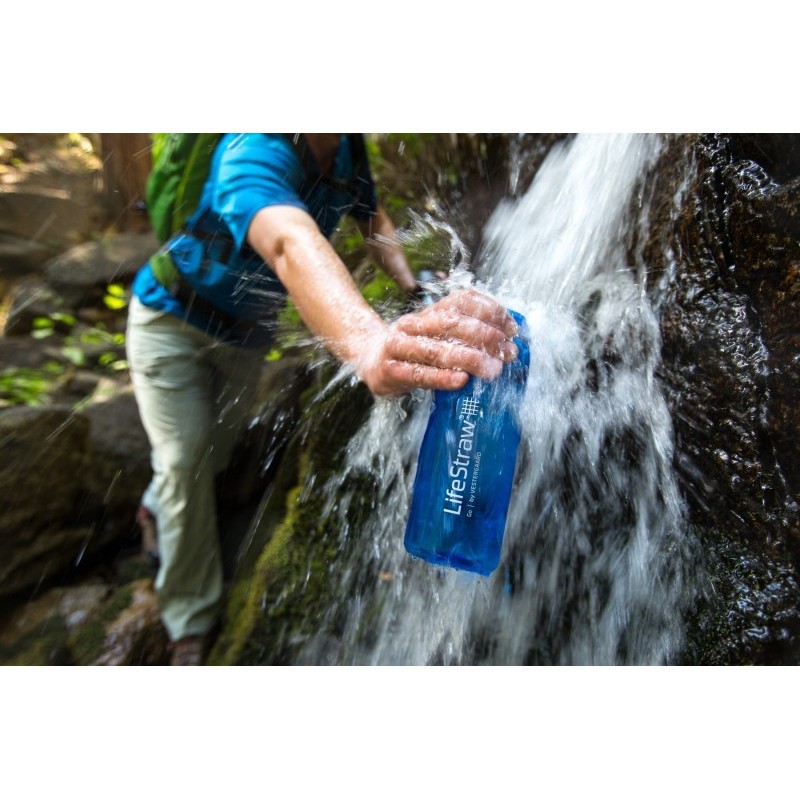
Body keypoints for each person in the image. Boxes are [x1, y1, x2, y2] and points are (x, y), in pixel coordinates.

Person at [126, 133, 519, 665]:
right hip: (169, 324)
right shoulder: (251, 150)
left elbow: (373, 218)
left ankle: (156, 506)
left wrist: (411, 281)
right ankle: (189, 622)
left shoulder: (345, 149)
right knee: (183, 458)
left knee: (208, 454)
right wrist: (368, 342)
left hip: (243, 342)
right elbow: (289, 239)